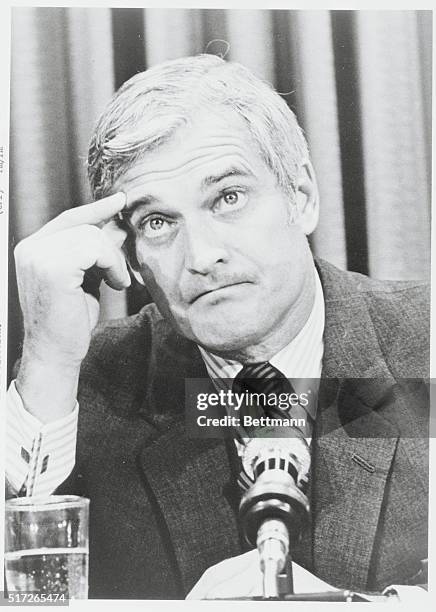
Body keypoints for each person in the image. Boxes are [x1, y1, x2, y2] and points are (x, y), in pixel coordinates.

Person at [6, 54, 429, 600]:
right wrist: (48, 362)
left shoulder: (426, 338)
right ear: (129, 258)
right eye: (158, 223)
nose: (202, 256)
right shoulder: (81, 381)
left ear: (301, 199)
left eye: (228, 198)